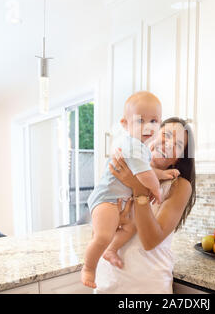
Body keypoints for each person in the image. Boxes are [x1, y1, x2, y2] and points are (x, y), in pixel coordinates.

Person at [80, 91, 179, 288]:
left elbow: (145, 172)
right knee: (102, 236)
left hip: (143, 280)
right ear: (125, 124)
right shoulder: (133, 145)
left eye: (153, 121)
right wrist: (155, 190)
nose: (148, 126)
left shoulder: (141, 151)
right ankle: (88, 267)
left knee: (129, 226)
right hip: (107, 200)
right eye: (141, 121)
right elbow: (144, 176)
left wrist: (162, 176)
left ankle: (111, 250)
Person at [93, 117, 196, 293]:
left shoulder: (179, 186)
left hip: (146, 286)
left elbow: (150, 241)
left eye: (178, 145)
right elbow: (99, 222)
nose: (169, 144)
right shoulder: (125, 164)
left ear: (177, 160)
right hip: (107, 280)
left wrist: (137, 185)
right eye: (166, 135)